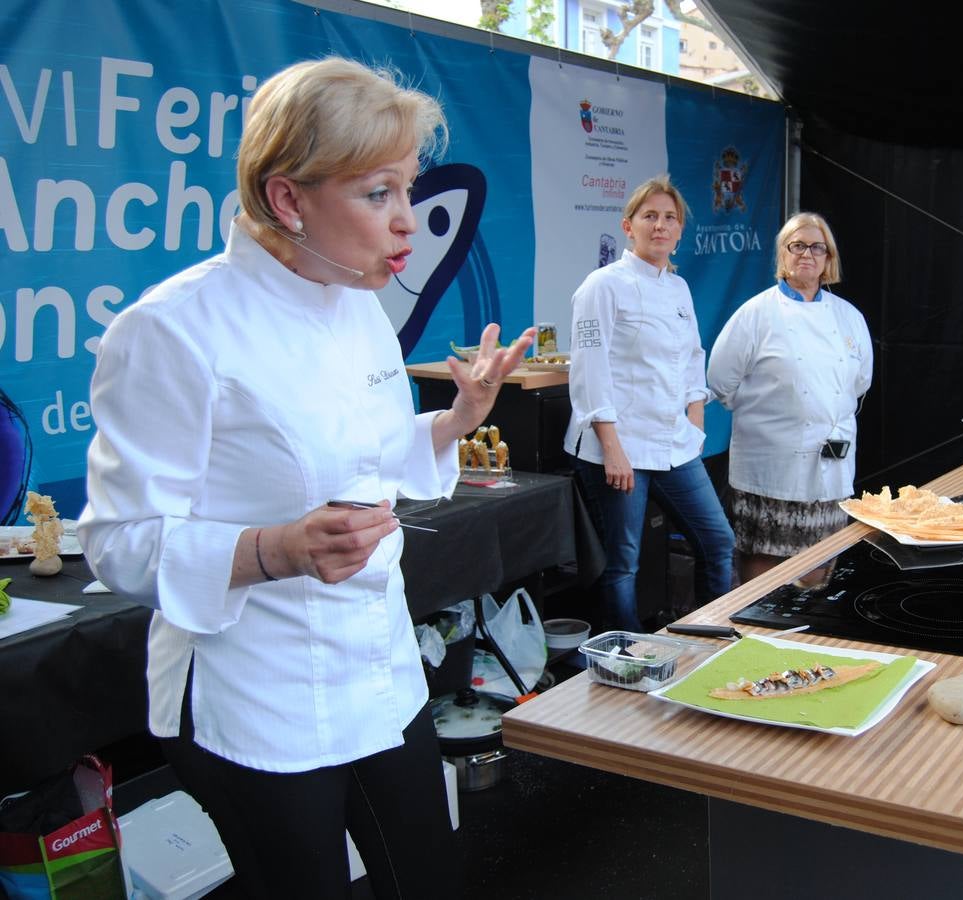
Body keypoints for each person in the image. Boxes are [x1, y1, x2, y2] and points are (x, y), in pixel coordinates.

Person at [78, 58, 534, 899]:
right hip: (253, 690)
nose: (408, 223)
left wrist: (452, 422)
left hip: (377, 667)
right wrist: (273, 550)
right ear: (288, 200)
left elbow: (360, 454)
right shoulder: (174, 331)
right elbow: (118, 544)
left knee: (426, 879)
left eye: (409, 190)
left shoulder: (357, 302)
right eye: (378, 194)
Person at [564, 174, 734, 632]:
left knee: (718, 541)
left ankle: (710, 637)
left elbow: (692, 358)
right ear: (628, 225)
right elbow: (589, 367)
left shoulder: (677, 288)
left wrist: (695, 421)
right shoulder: (602, 286)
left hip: (673, 443)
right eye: (650, 216)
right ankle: (623, 657)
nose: (660, 226)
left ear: (679, 232)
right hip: (617, 447)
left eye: (670, 218)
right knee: (623, 564)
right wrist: (612, 448)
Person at [707, 212, 872, 584]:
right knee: (763, 561)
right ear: (782, 255)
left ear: (829, 259)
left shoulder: (849, 318)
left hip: (830, 466)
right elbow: (720, 381)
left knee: (821, 560)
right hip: (770, 464)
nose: (807, 254)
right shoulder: (755, 314)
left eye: (817, 247)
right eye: (797, 246)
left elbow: (859, 382)